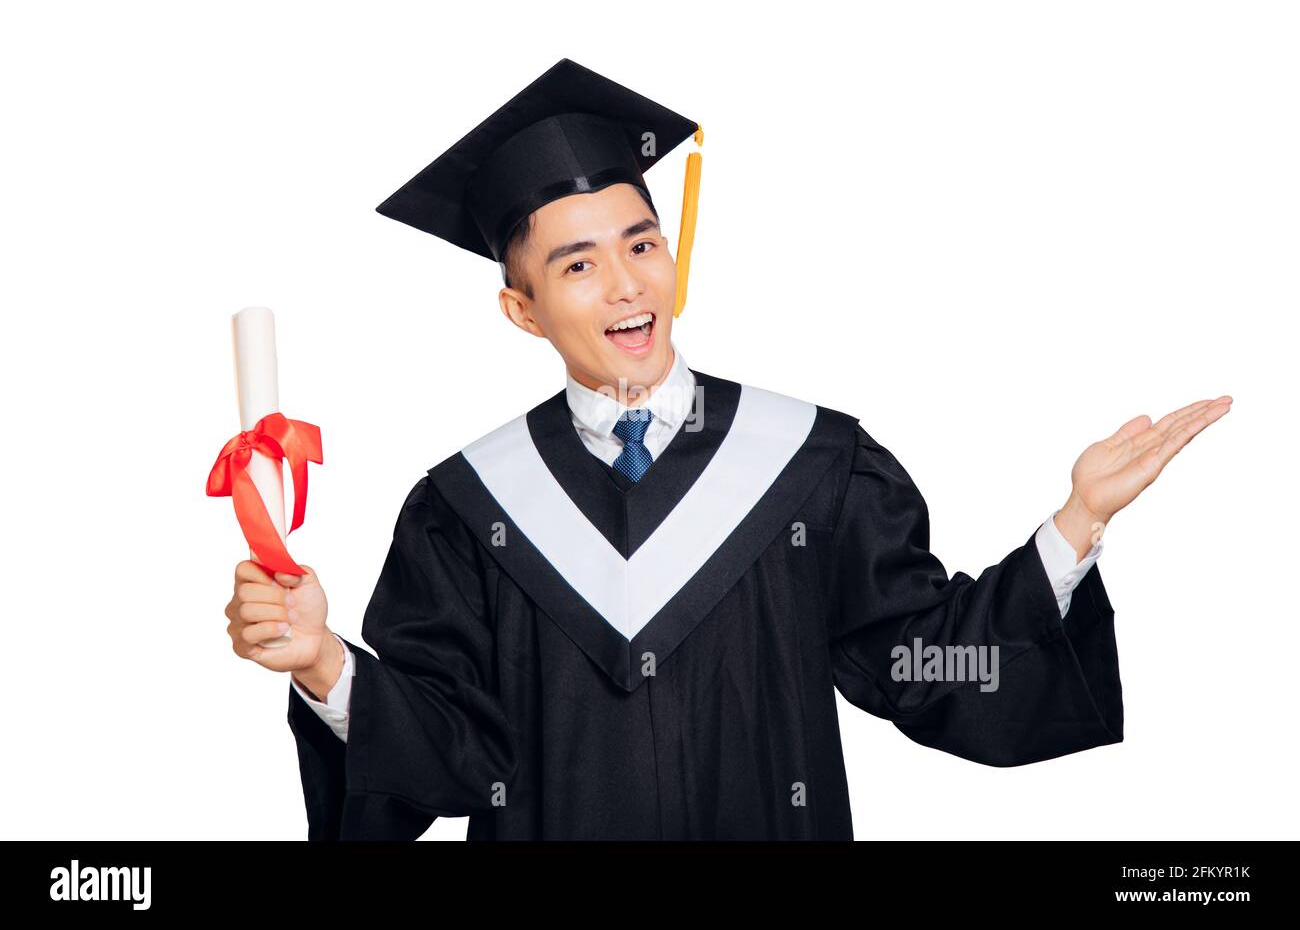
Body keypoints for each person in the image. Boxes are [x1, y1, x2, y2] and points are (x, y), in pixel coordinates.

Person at [223, 58, 1231, 840]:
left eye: (640, 242)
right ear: (520, 308)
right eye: (577, 264)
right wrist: (321, 660)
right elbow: (448, 751)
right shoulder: (466, 509)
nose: (626, 285)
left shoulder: (812, 465)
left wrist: (1073, 526)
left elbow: (918, 658)